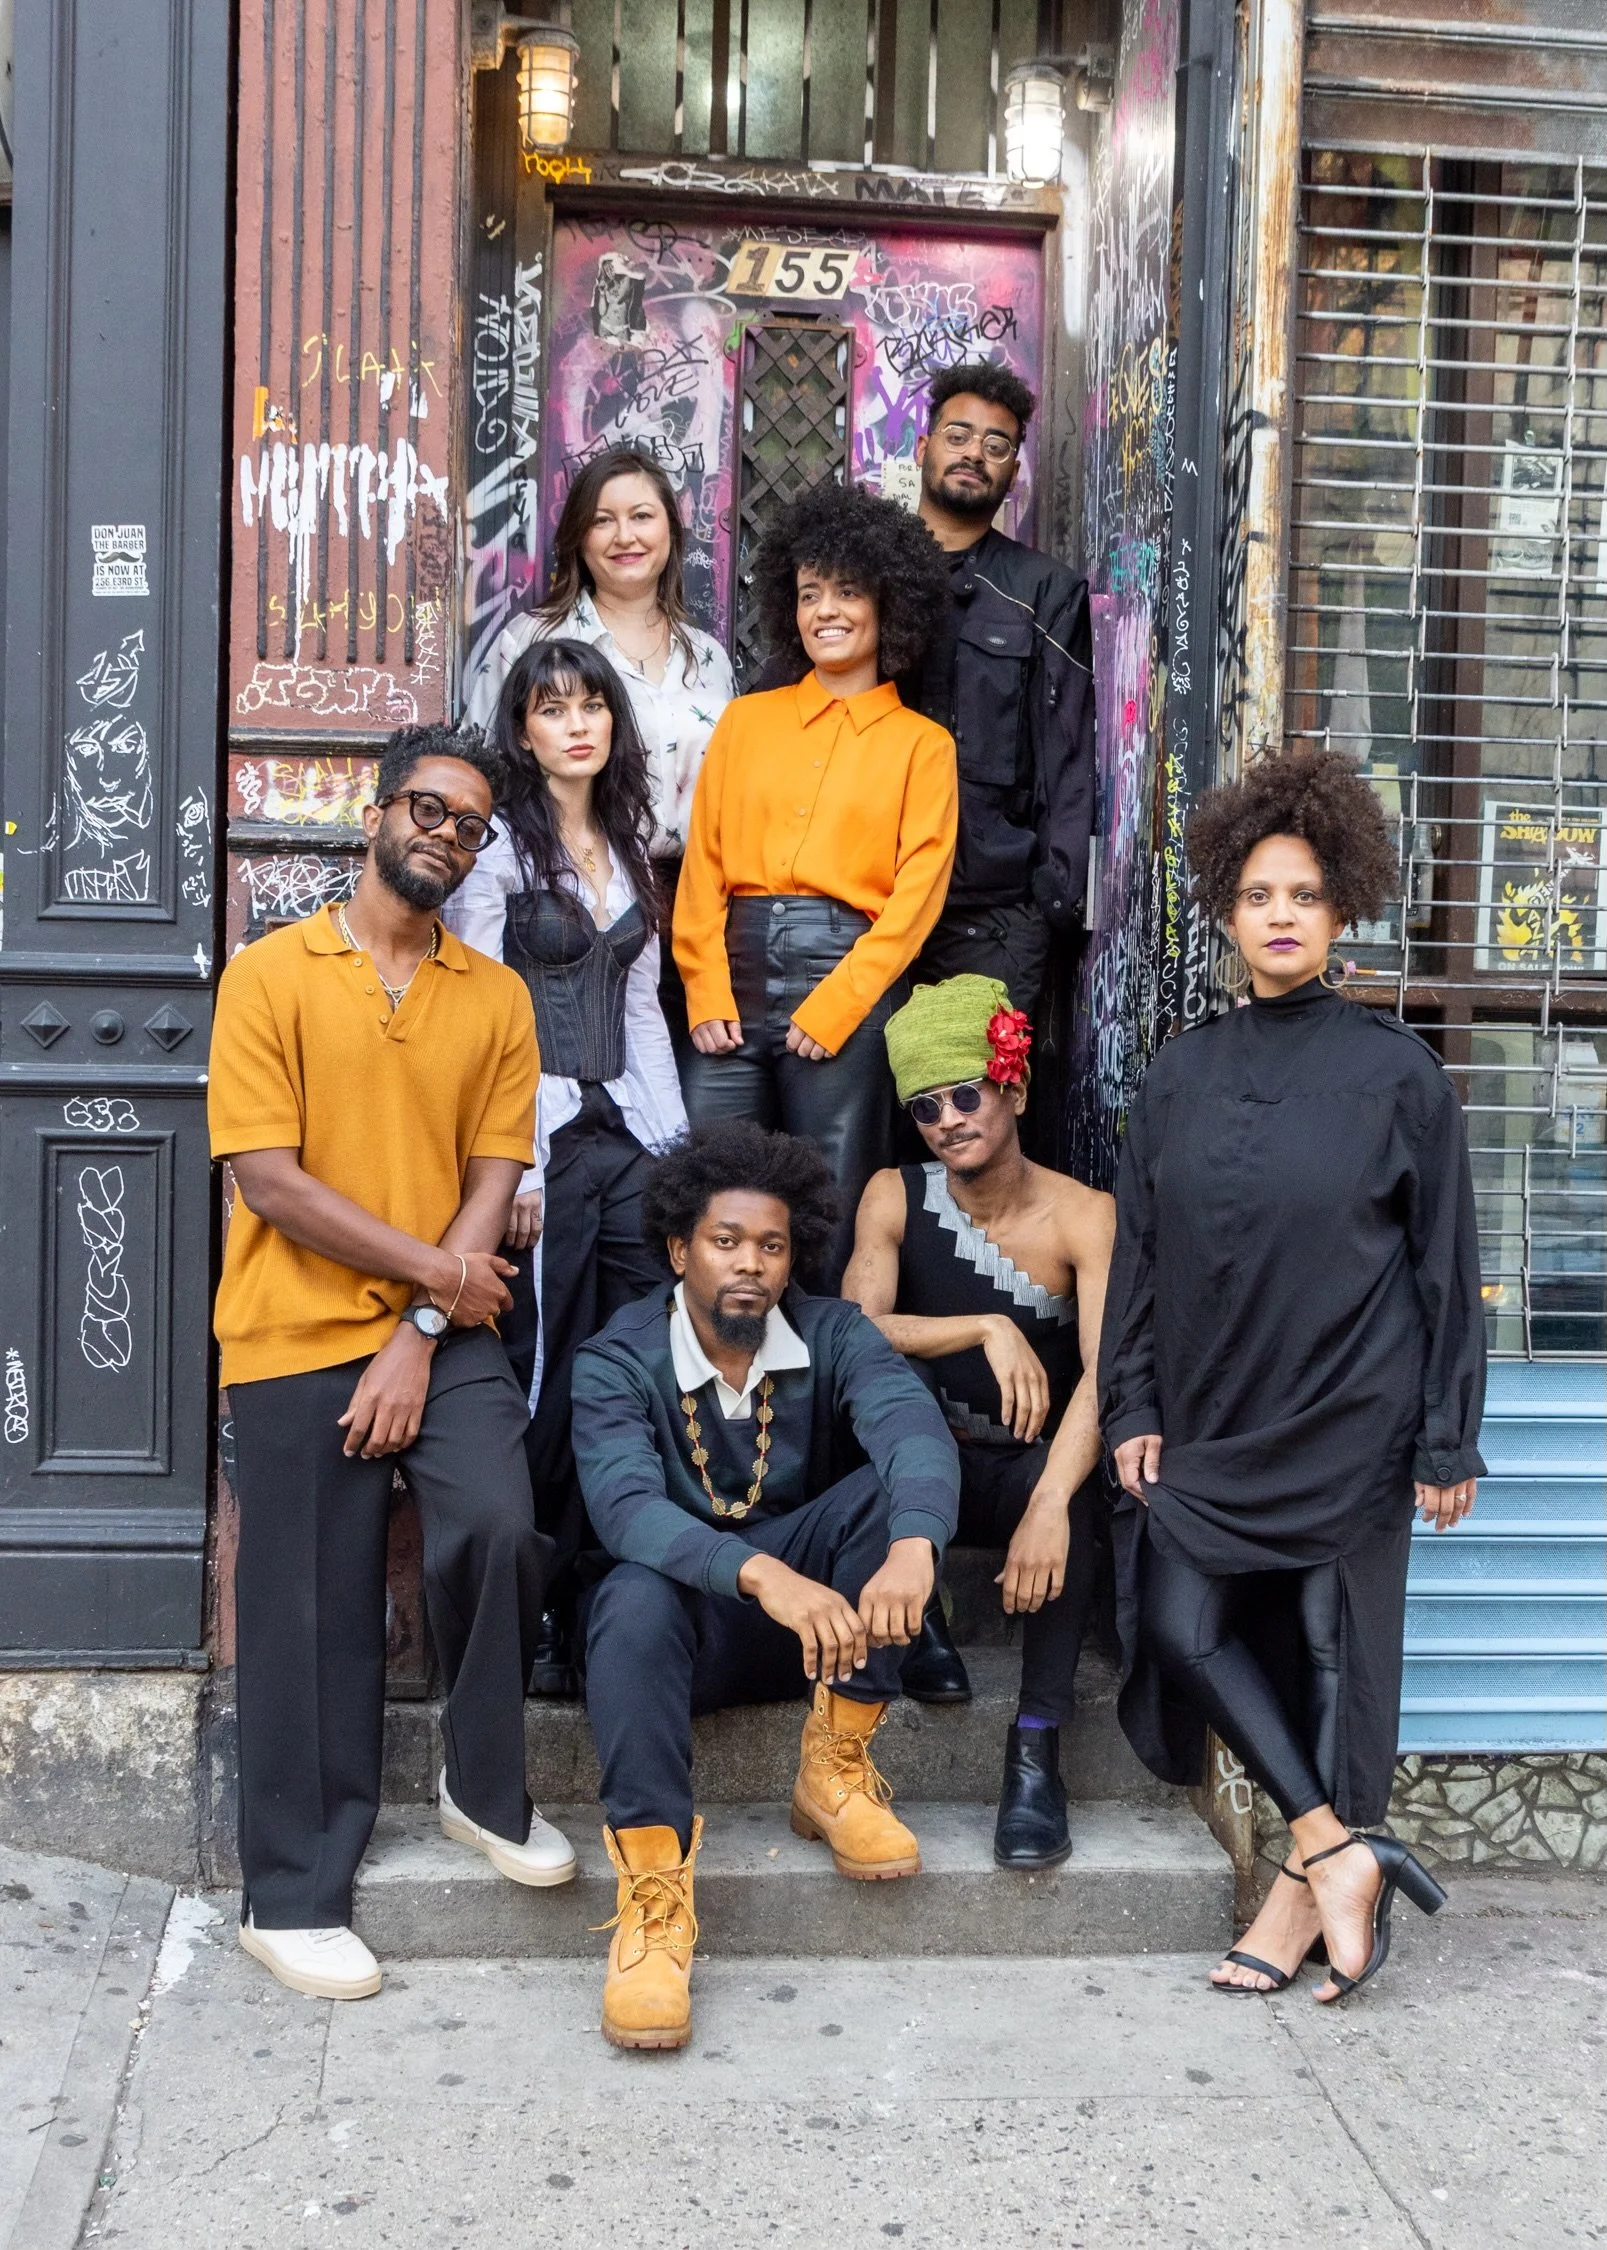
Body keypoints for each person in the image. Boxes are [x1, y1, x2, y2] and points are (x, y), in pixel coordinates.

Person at [1098, 748, 1485, 2003]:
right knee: (1183, 1622)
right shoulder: (1177, 1077)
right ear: (1224, 908)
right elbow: (1139, 1261)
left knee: (1330, 1652)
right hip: (1215, 1415)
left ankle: (1290, 1903)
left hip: (1352, 1411)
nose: (1278, 916)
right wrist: (1133, 1401)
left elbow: (1442, 1266)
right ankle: (1335, 1849)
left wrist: (1444, 1438)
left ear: (1340, 910)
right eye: (1259, 894)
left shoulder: (1398, 1077)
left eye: (1304, 896)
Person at [209, 723, 577, 2004]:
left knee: (497, 1526)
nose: (446, 833)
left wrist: (421, 1330)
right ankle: (293, 1894)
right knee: (309, 1603)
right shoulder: (269, 973)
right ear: (375, 812)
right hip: (291, 1329)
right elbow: (268, 1181)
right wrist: (433, 1280)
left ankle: (481, 1788)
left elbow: (495, 1175)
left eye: (471, 825)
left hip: (439, 1335)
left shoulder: (496, 997)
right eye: (429, 807)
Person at [570, 1121, 960, 2050]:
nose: (750, 1264)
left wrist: (915, 1548)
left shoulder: (834, 1332)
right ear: (678, 1250)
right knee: (627, 1592)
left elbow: (909, 1429)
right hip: (686, 1643)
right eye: (726, 1241)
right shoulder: (617, 1358)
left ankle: (832, 1772)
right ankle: (653, 1903)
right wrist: (764, 1575)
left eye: (772, 1246)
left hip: (825, 1643)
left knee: (886, 1499)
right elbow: (625, 1506)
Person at [443, 640, 684, 1697]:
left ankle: (602, 1602)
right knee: (543, 1376)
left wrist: (677, 1164)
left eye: (592, 705)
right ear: (524, 729)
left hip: (623, 1139)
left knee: (629, 1369)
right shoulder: (496, 847)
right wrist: (517, 1171)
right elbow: (484, 1014)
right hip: (540, 1145)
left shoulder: (629, 849)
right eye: (553, 708)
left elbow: (641, 1015)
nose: (576, 724)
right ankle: (531, 1617)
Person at [845, 976, 1115, 1868]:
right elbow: (851, 1336)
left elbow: (1106, 1371)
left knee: (1072, 1510)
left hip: (1020, 1466)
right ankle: (914, 1621)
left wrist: (1046, 1503)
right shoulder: (893, 1194)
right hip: (920, 1470)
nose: (949, 1119)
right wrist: (984, 1324)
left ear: (1014, 1090)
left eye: (966, 1094)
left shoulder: (1084, 1216)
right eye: (926, 1107)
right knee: (869, 1424)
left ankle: (1035, 1747)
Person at [674, 482, 957, 1286]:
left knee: (827, 1205)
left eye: (845, 591)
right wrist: (705, 993)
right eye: (807, 594)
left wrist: (837, 1006)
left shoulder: (920, 744)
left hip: (848, 978)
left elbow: (917, 896)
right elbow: (703, 867)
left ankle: (815, 1397)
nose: (824, 611)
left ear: (886, 604)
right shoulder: (744, 721)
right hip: (734, 975)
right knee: (710, 1194)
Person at [465, 445, 734, 1048]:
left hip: (697, 908)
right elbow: (483, 773)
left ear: (670, 527)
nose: (624, 536)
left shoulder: (709, 657)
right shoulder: (532, 639)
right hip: (573, 901)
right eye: (602, 519)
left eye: (641, 516)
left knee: (682, 1100)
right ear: (579, 538)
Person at [903, 360, 1097, 1024]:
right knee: (866, 1116)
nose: (974, 455)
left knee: (974, 1109)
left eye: (996, 445)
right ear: (923, 447)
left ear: (1013, 471)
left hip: (988, 915)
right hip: (864, 900)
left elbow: (1069, 760)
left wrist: (1052, 901)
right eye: (958, 436)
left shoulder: (1044, 591)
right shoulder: (864, 573)